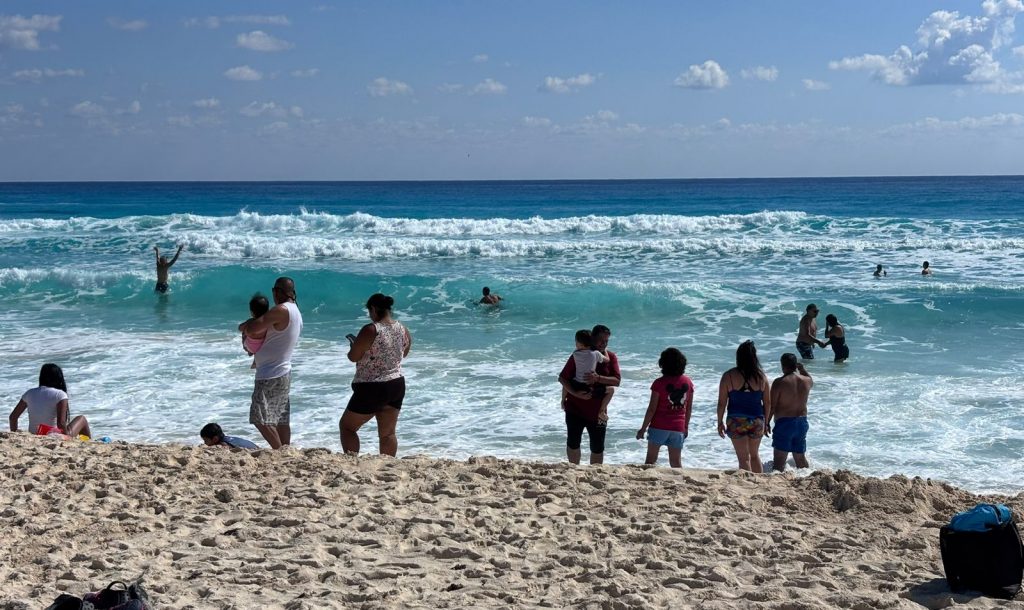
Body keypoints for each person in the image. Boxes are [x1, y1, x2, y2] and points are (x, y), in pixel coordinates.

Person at [340, 293, 412, 456]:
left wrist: (354, 346)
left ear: (373, 309)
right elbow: (404, 353)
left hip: (372, 386)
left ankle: (351, 461)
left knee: (347, 427)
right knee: (388, 434)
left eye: (369, 312)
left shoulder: (371, 329)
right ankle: (388, 465)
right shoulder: (403, 329)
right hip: (396, 384)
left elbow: (353, 357)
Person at [238, 277, 302, 449]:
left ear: (278, 291)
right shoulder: (295, 310)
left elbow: (253, 329)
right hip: (284, 370)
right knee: (280, 417)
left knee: (259, 417)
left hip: (270, 372)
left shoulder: (281, 310)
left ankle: (279, 451)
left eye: (274, 290)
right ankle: (286, 450)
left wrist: (245, 326)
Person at [558, 324, 621, 465]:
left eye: (606, 341)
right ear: (592, 339)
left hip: (598, 412)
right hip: (575, 407)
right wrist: (576, 394)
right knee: (573, 442)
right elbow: (563, 378)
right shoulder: (578, 355)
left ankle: (595, 472)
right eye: (600, 340)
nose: (603, 344)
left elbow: (617, 381)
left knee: (598, 447)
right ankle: (574, 470)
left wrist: (598, 378)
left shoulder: (610, 357)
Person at [717, 340, 772, 473]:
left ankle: (747, 482)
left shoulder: (728, 376)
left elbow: (721, 403)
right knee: (754, 455)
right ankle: (759, 482)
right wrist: (766, 423)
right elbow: (768, 402)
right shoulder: (761, 377)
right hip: (757, 420)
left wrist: (719, 422)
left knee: (743, 459)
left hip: (736, 421)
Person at [636, 348, 693, 468]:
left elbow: (652, 409)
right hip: (678, 427)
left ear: (663, 364)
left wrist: (643, 429)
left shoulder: (659, 383)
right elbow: (688, 408)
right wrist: (685, 427)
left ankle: (649, 479)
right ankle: (679, 479)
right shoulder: (687, 382)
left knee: (650, 461)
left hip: (659, 426)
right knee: (676, 463)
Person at [9, 363, 91, 438]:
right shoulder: (60, 394)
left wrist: (15, 433)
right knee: (82, 419)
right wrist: (67, 438)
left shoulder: (29, 393)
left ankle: (83, 441)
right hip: (53, 435)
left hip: (34, 434)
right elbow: (61, 424)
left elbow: (13, 417)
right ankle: (86, 442)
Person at [768, 353, 812, 472]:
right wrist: (802, 369)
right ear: (795, 365)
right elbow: (810, 379)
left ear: (782, 365)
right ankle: (807, 475)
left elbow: (772, 406)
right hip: (802, 422)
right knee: (800, 458)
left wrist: (766, 423)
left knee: (779, 461)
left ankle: (777, 480)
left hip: (784, 423)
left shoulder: (779, 382)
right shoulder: (807, 381)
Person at [561, 329, 610, 402]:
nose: (575, 344)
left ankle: (563, 400)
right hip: (588, 385)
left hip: (576, 383)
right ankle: (603, 409)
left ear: (581, 344)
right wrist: (605, 350)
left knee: (566, 383)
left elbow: (579, 350)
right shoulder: (596, 353)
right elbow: (607, 360)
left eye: (576, 342)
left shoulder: (575, 354)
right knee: (611, 390)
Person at [242, 293, 270, 368]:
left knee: (245, 331)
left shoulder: (251, 321)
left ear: (252, 313)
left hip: (250, 346)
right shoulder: (269, 322)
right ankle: (255, 360)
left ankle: (250, 352)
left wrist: (245, 329)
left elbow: (240, 328)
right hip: (263, 346)